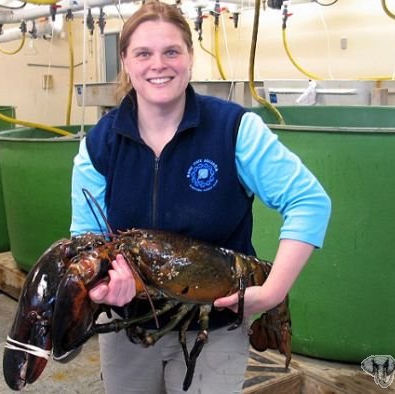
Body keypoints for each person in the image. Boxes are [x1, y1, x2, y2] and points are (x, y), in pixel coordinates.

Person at [70, 1, 331, 392]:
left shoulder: (234, 129)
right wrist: (104, 287)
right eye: (143, 53)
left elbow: (309, 201)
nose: (158, 64)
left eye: (171, 51)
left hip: (217, 328)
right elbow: (85, 240)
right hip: (127, 326)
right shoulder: (100, 144)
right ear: (125, 61)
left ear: (190, 58)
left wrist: (274, 290)